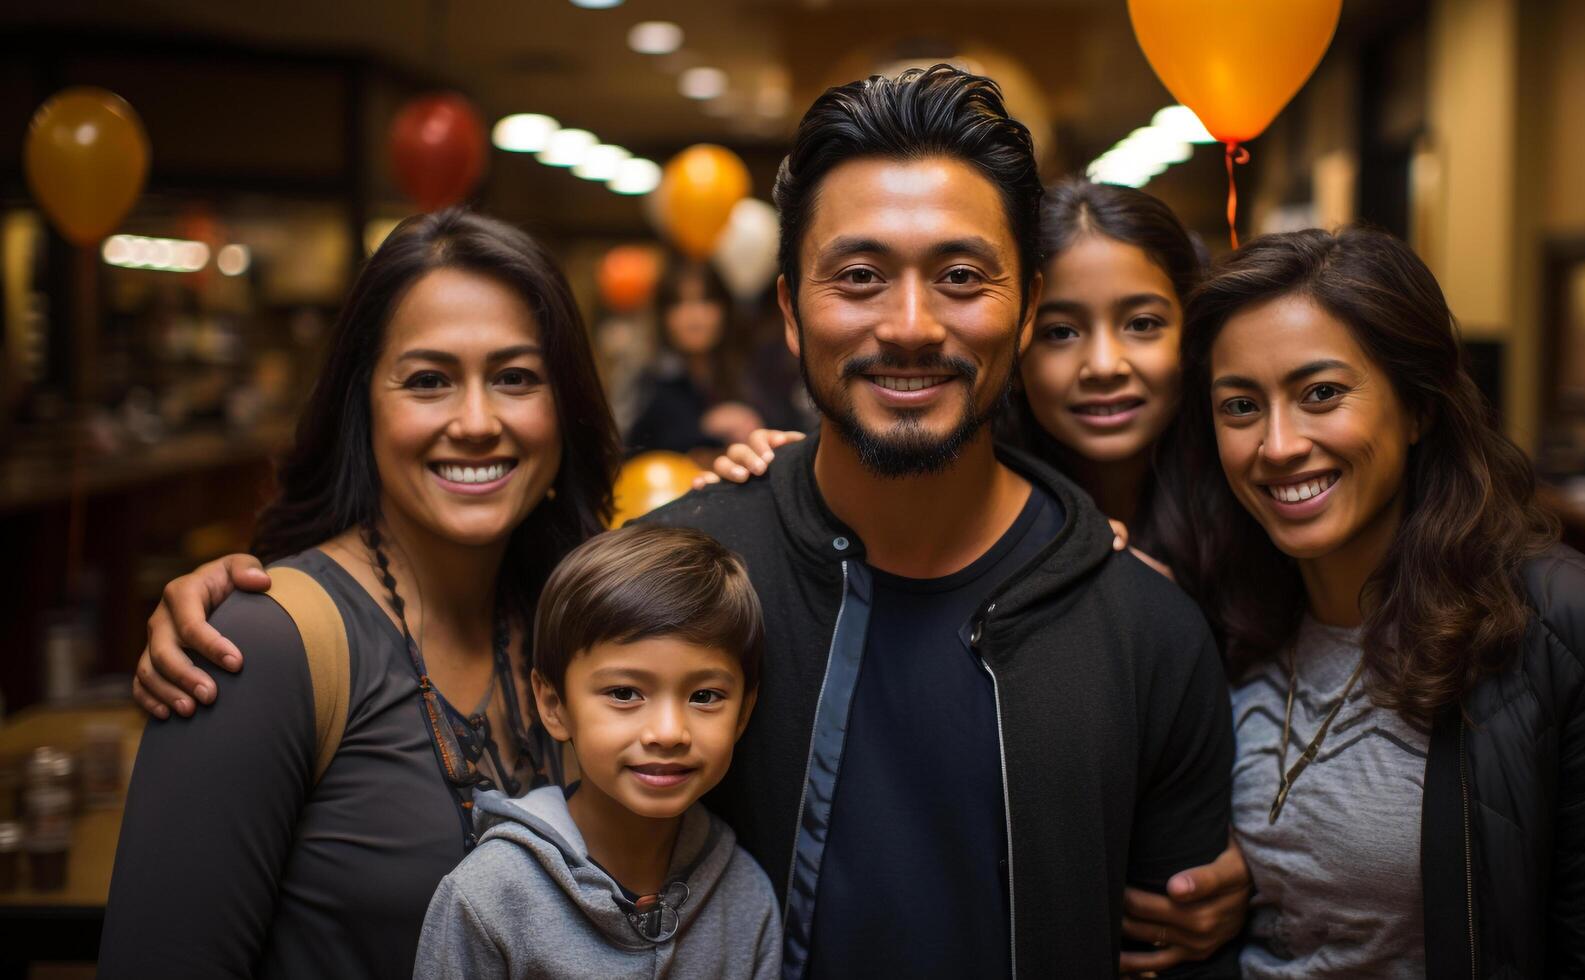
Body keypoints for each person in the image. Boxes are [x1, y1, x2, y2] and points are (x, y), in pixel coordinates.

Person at [130, 67, 1239, 979]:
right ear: (789, 307)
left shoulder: (1140, 625)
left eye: (959, 275)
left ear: (1026, 301)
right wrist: (243, 602)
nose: (909, 325)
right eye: (857, 276)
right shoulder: (695, 583)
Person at [699, 178, 1249, 974]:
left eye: (1142, 323)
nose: (1102, 364)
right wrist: (784, 476)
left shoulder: (1241, 519)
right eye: (1062, 330)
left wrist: (1255, 873)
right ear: (1025, 331)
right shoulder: (971, 500)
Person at [101, 209, 622, 979]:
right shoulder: (261, 645)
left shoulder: (567, 622)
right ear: (363, 407)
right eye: (428, 381)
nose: (477, 422)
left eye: (515, 378)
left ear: (564, 408)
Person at [1175, 226, 1585, 976]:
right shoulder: (1220, 614)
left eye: (1320, 394)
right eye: (1239, 407)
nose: (1278, 444)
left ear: (1417, 407)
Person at [414, 524, 781, 979]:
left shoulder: (747, 897)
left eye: (704, 696)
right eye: (625, 693)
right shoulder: (490, 897)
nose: (668, 732)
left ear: (744, 712)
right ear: (554, 705)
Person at [625, 258, 763, 459]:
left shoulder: (754, 370)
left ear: (724, 309)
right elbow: (632, 451)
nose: (694, 316)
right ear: (663, 316)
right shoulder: (650, 379)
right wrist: (706, 428)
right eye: (679, 303)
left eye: (705, 301)